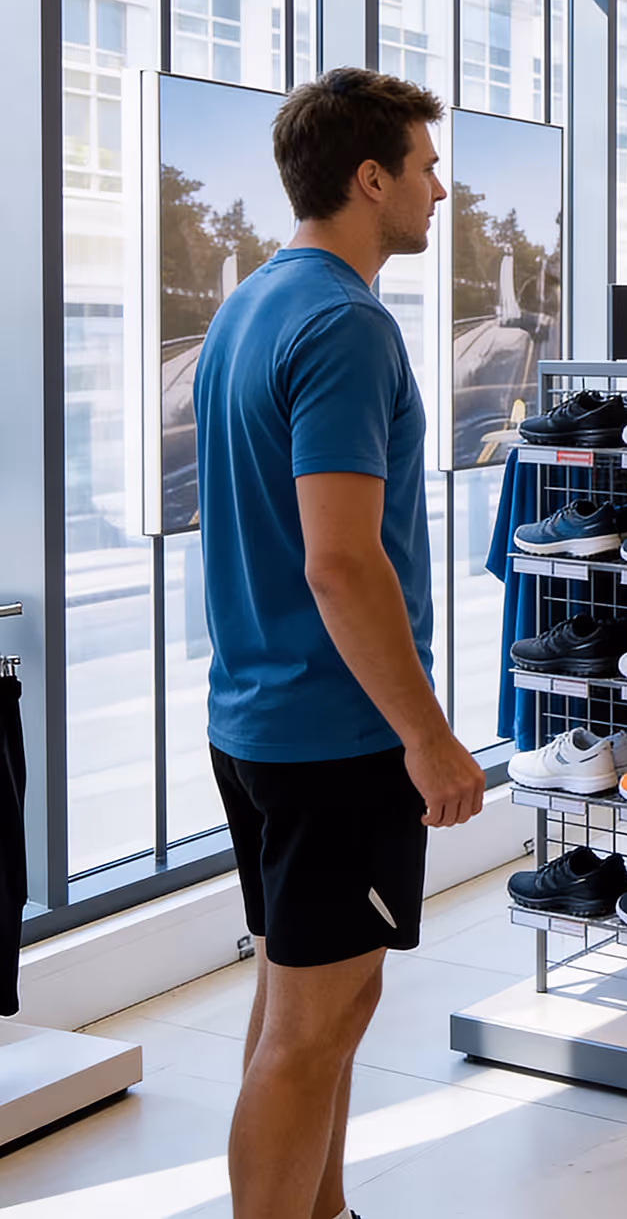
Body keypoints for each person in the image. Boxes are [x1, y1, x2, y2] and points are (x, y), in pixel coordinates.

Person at [194, 68, 488, 1219]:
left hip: (258, 718)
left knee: (307, 1004)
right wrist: (428, 736)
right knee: (311, 1030)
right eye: (425, 167)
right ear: (370, 179)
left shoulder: (250, 305)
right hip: (335, 733)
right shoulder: (347, 325)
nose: (439, 190)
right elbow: (341, 561)